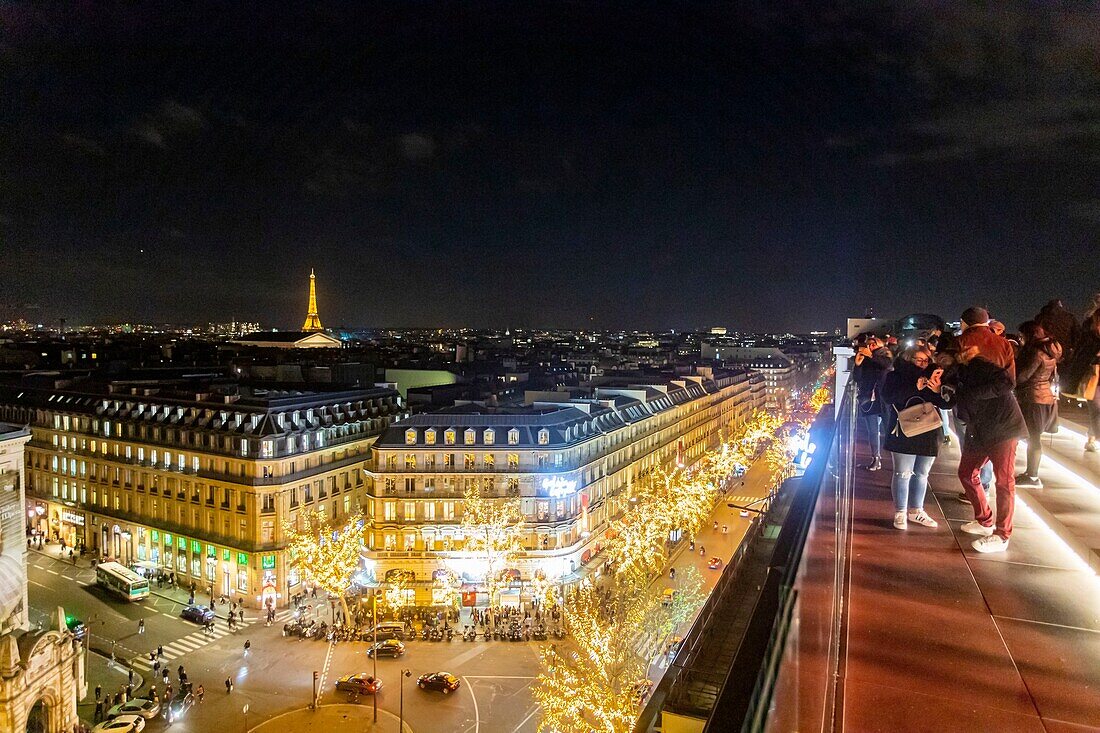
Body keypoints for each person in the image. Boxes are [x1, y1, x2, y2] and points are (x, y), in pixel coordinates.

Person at [941, 344, 1027, 553]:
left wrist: (971, 394)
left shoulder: (978, 365)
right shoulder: (952, 375)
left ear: (955, 354)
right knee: (967, 473)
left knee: (1005, 481)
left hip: (1003, 428)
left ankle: (1002, 534)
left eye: (942, 354)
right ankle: (984, 520)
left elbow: (1007, 382)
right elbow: (952, 402)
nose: (938, 358)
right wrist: (939, 389)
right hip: (979, 429)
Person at [881, 345, 949, 530]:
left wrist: (936, 390)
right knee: (902, 473)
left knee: (922, 473)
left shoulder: (934, 376)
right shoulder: (895, 376)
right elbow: (888, 398)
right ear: (907, 359)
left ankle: (916, 510)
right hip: (904, 430)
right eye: (918, 360)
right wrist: (914, 387)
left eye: (926, 360)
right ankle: (900, 512)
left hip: (929, 431)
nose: (922, 363)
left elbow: (946, 404)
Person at [1014, 321, 1062, 488]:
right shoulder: (1050, 350)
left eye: (1022, 336)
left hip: (1032, 398)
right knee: (1034, 438)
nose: (1021, 339)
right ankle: (1030, 473)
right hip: (1044, 397)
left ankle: (1033, 475)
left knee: (1033, 438)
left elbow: (1023, 376)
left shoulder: (1036, 353)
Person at [853, 334, 893, 470]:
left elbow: (886, 365)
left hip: (884, 398)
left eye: (873, 344)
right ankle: (876, 458)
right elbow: (857, 378)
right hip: (868, 398)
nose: (870, 347)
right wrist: (857, 365)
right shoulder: (865, 359)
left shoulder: (885, 356)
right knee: (872, 430)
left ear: (880, 345)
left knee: (889, 428)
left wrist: (870, 355)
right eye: (868, 344)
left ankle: (897, 457)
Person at [956, 306, 1016, 381]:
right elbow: (1010, 377)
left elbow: (952, 372)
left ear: (965, 323)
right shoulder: (1005, 343)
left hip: (970, 390)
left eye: (961, 322)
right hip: (998, 390)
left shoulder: (960, 340)